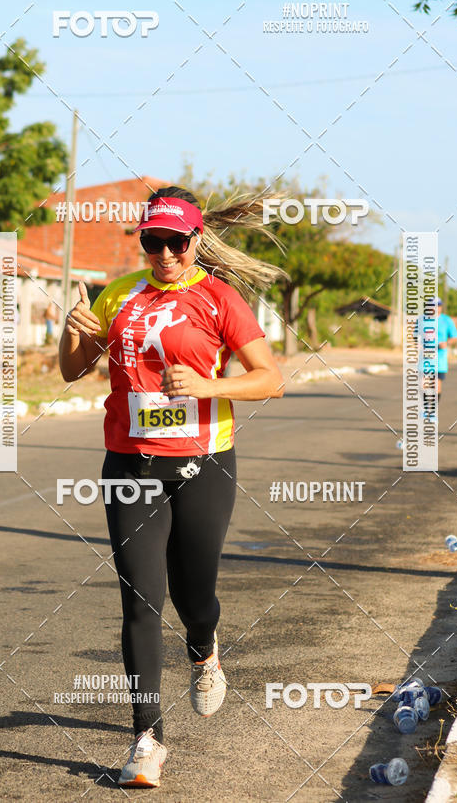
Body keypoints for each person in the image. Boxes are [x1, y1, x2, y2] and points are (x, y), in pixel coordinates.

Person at [58, 186, 286, 788]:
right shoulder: (119, 295)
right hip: (130, 464)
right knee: (140, 599)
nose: (163, 254)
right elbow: (72, 369)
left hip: (202, 465)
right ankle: (147, 739)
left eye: (175, 243)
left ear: (194, 242)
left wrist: (210, 388)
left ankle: (205, 649)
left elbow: (270, 380)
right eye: (152, 241)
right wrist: (74, 330)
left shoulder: (218, 298)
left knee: (196, 594)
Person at [419, 296, 457, 420]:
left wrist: (446, 343)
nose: (436, 308)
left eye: (438, 306)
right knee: (423, 385)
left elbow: (454, 337)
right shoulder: (422, 320)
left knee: (436, 385)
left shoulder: (446, 320)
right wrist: (418, 345)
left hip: (439, 359)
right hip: (425, 358)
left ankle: (433, 412)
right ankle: (426, 409)